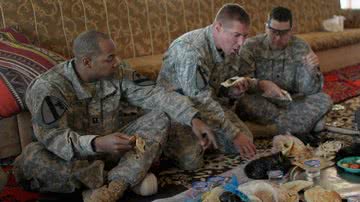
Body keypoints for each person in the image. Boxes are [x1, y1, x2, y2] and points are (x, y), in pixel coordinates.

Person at [13, 30, 216, 202]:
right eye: (110, 58)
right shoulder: (49, 87)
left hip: (116, 145)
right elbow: (52, 137)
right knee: (31, 160)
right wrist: (96, 143)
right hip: (73, 156)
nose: (117, 61)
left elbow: (155, 95)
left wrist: (192, 117)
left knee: (159, 117)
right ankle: (122, 177)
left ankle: (117, 185)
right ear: (87, 62)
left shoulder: (118, 72)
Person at [157, 3, 256, 171]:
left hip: (206, 106)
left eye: (245, 36)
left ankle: (206, 140)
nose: (241, 42)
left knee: (246, 140)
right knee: (192, 161)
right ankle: (168, 144)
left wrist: (231, 90)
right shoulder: (191, 51)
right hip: (176, 111)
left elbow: (217, 86)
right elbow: (199, 98)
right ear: (218, 27)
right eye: (237, 35)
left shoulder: (228, 46)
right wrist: (233, 133)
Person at [235, 6, 333, 140]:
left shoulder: (301, 46)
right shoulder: (251, 46)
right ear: (266, 27)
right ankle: (305, 124)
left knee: (324, 100)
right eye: (273, 31)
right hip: (262, 101)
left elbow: (310, 91)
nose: (277, 38)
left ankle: (266, 130)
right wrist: (261, 84)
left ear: (292, 30)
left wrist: (311, 71)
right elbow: (242, 82)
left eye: (283, 33)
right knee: (243, 102)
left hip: (291, 101)